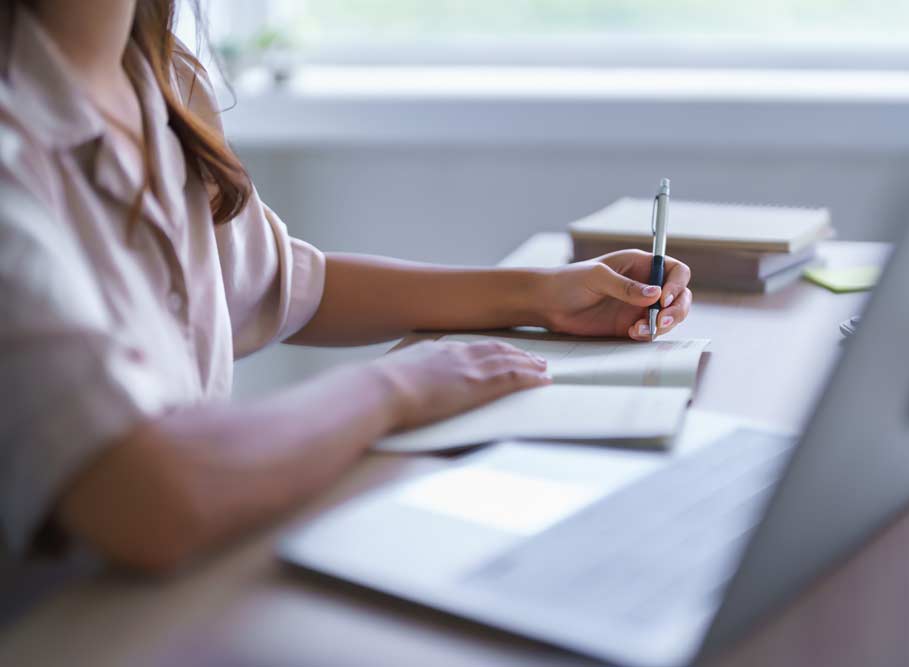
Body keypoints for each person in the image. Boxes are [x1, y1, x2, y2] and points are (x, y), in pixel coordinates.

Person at [0, 0, 692, 573]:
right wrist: (395, 388)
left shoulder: (156, 82)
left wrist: (541, 295)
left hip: (185, 589)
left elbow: (290, 285)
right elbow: (153, 498)